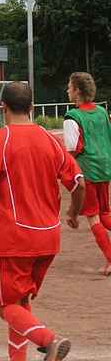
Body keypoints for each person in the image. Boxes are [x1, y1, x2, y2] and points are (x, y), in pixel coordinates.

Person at [0, 82, 84, 361]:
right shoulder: (47, 139)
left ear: (2, 108)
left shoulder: (1, 139)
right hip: (49, 237)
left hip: (16, 238)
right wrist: (73, 213)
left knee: (4, 305)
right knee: (20, 302)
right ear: (32, 108)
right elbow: (79, 183)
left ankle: (50, 340)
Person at [63, 71, 111, 276]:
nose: (67, 90)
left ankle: (110, 259)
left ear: (77, 91)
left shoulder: (72, 117)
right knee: (105, 213)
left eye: (69, 87)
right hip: (105, 167)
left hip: (88, 170)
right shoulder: (101, 112)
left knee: (93, 217)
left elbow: (73, 147)